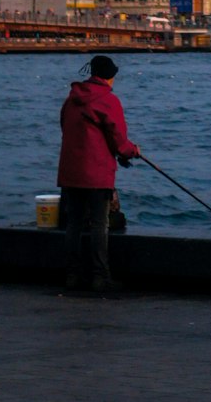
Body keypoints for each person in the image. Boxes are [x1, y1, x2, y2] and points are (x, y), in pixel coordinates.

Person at [57, 54, 139, 294]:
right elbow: (119, 141)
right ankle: (100, 277)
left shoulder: (71, 100)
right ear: (109, 77)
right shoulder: (108, 100)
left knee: (73, 224)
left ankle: (72, 275)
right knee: (99, 225)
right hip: (97, 173)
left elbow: (64, 127)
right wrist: (132, 151)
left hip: (70, 171)